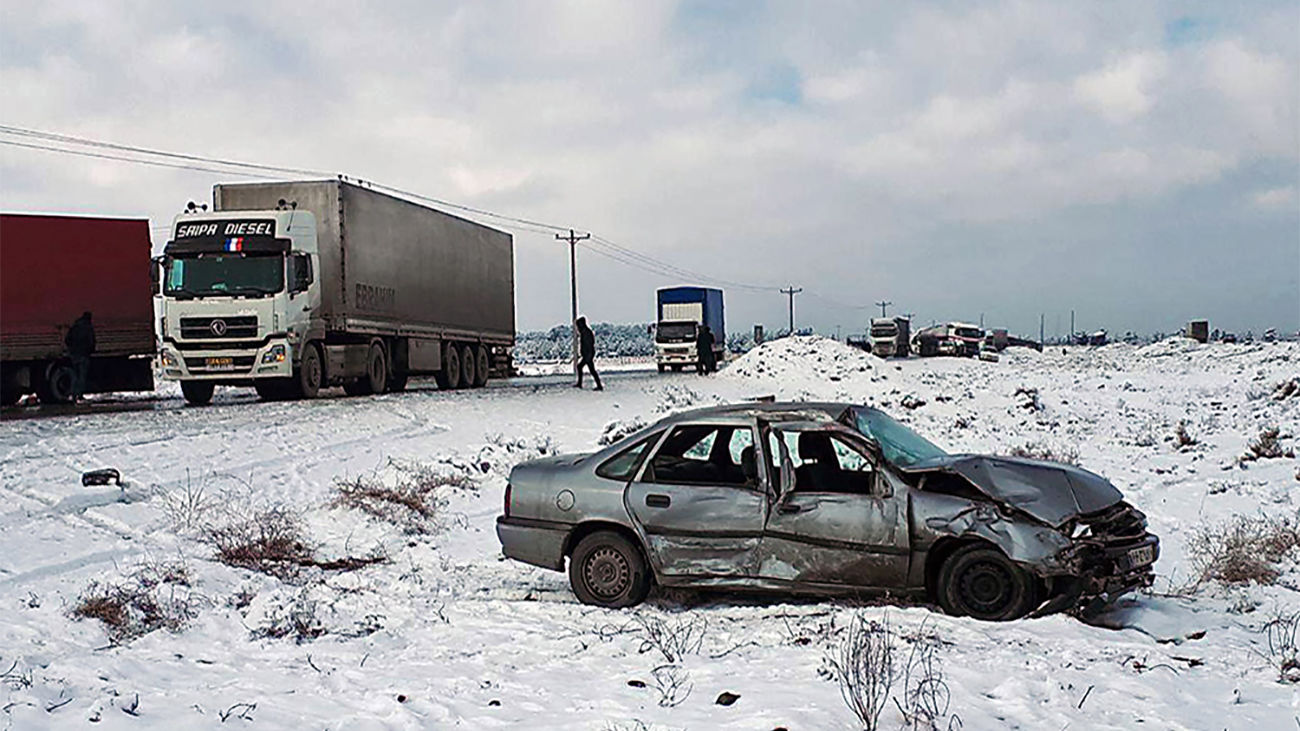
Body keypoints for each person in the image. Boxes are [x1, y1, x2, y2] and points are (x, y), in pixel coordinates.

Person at [65, 311, 95, 401]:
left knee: (75, 375)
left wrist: (72, 349)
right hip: (83, 355)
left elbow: (67, 340)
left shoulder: (75, 326)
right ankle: (79, 395)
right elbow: (91, 341)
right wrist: (90, 350)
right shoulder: (88, 327)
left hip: (74, 355)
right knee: (82, 376)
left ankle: (73, 394)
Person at [574, 316, 603, 391]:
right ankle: (581, 383)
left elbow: (588, 345)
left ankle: (598, 385)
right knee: (584, 368)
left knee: (589, 369)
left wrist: (587, 355)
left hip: (588, 355)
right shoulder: (585, 332)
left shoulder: (586, 333)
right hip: (587, 354)